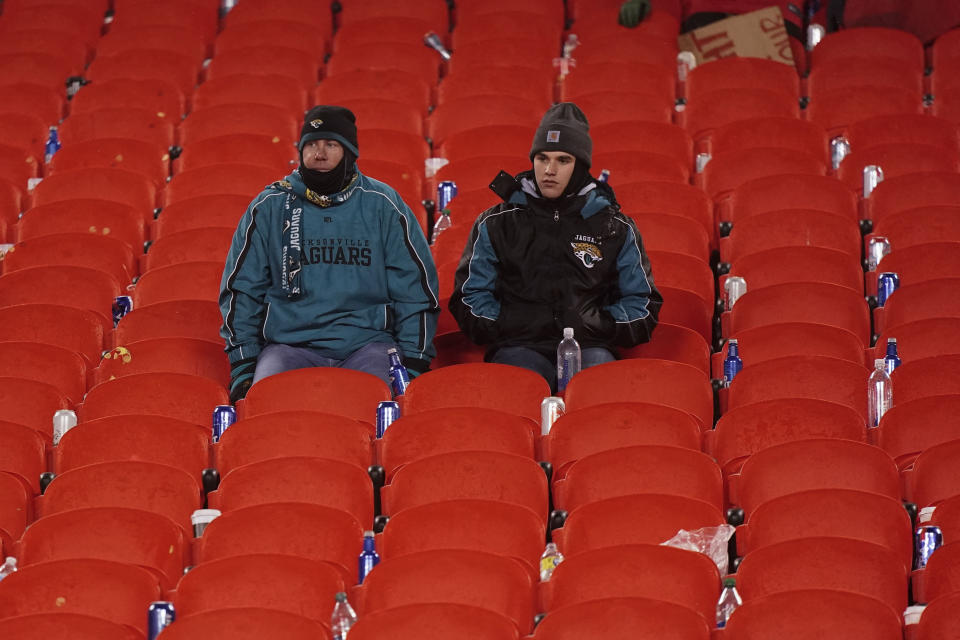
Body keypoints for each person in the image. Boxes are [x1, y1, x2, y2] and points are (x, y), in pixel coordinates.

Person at [219, 105, 440, 403]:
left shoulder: (384, 205)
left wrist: (414, 359)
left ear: (349, 152)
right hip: (288, 346)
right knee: (263, 403)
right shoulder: (269, 206)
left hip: (370, 345)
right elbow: (241, 289)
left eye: (331, 145)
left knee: (384, 404)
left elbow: (415, 289)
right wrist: (244, 363)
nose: (319, 154)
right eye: (311, 145)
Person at [448, 102, 662, 392]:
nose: (549, 170)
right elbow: (469, 298)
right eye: (541, 158)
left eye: (563, 160)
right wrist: (511, 322)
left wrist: (601, 324)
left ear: (580, 167)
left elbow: (642, 303)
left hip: (591, 347)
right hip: (518, 346)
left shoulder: (616, 227)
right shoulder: (495, 223)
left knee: (597, 392)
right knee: (517, 390)